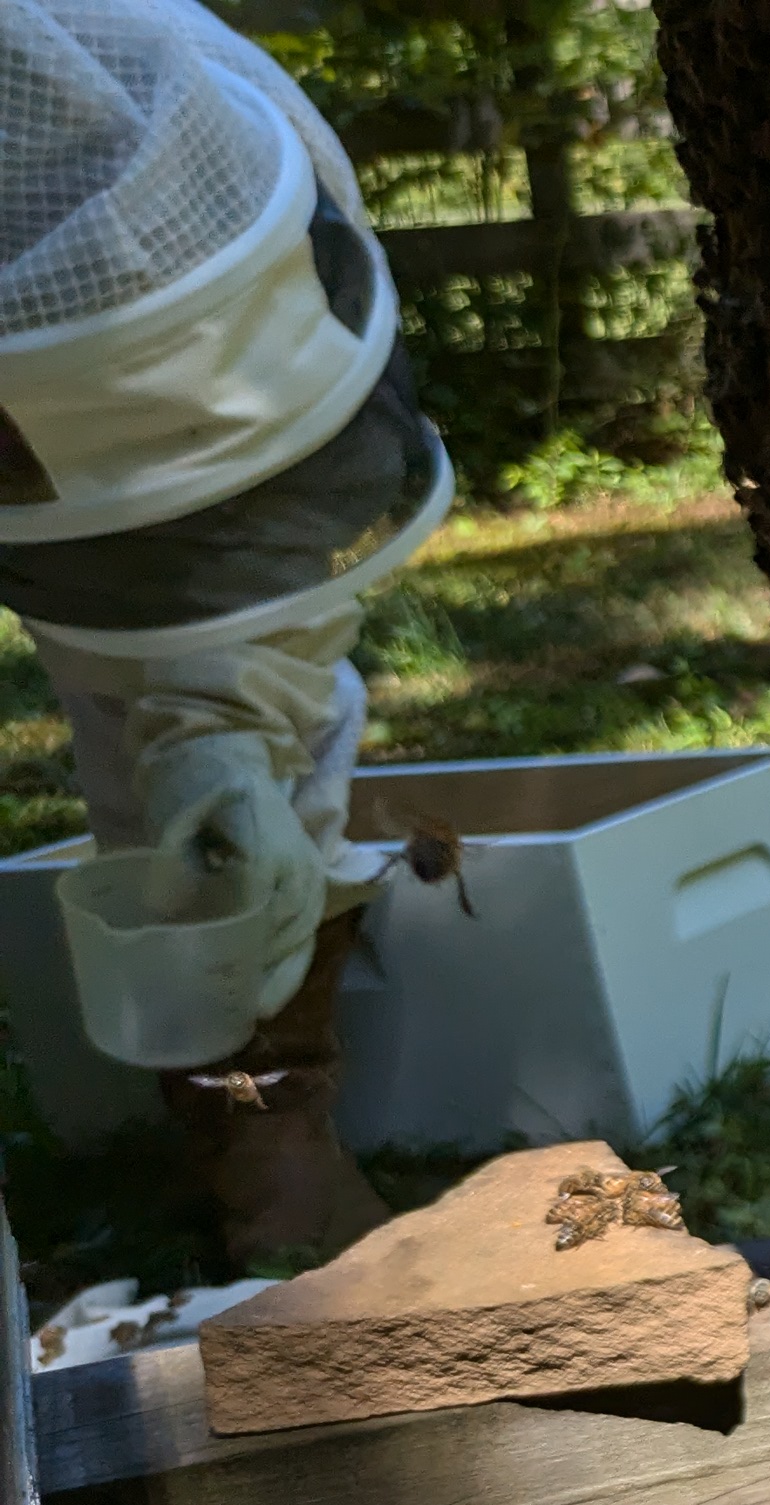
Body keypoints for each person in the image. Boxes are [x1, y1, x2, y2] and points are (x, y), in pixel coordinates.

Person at [0, 0, 454, 1265]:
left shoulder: (163, 83)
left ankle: (263, 1136)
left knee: (221, 710)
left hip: (213, 213)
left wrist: (221, 713)